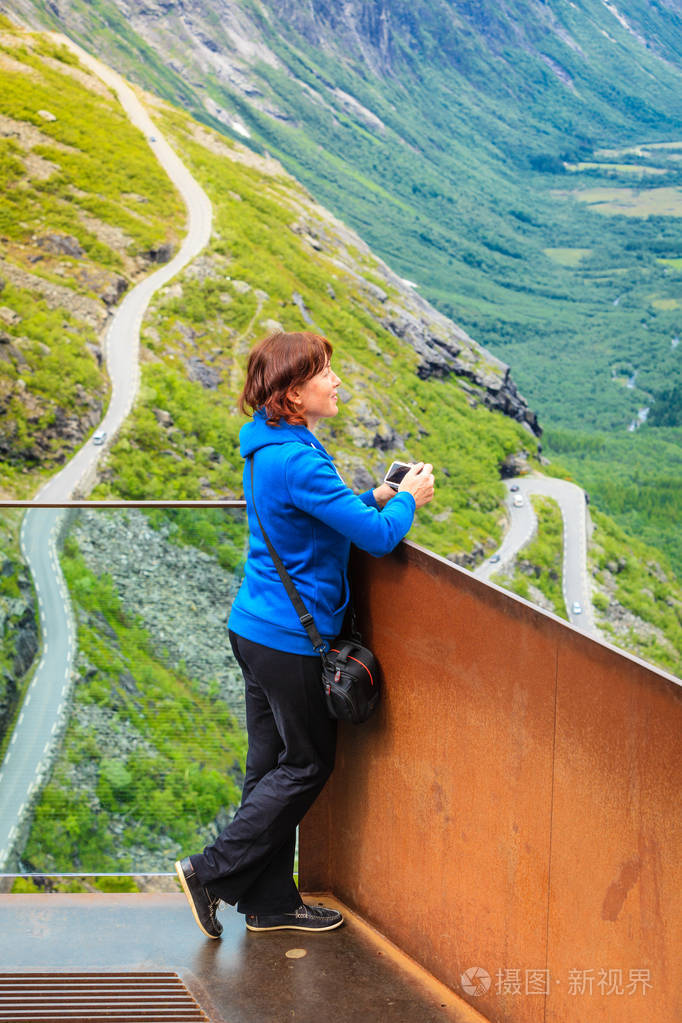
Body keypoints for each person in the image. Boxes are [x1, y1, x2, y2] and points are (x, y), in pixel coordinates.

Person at [175, 330, 434, 937]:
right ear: (294, 392)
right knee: (307, 765)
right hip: (291, 641)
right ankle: (208, 872)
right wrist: (407, 501)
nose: (336, 381)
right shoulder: (298, 457)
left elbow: (314, 517)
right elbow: (378, 537)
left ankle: (269, 903)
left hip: (255, 627)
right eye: (324, 373)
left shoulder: (270, 445)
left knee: (269, 768)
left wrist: (374, 495)